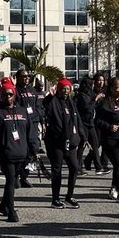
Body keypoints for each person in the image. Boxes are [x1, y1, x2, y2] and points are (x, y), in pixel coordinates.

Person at [0, 79, 36, 223]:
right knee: (11, 180)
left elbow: (30, 132)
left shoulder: (22, 111)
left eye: (10, 94)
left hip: (21, 152)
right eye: (4, 95)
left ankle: (3, 206)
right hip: (5, 153)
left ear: (14, 95)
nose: (7, 97)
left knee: (13, 180)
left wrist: (34, 149)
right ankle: (11, 211)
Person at [44, 78, 85, 209]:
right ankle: (55, 198)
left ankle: (69, 196)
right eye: (63, 89)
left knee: (74, 167)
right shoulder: (53, 101)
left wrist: (82, 136)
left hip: (71, 141)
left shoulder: (70, 103)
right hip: (56, 142)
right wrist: (49, 97)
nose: (66, 91)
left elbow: (77, 119)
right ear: (58, 90)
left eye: (68, 89)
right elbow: (45, 105)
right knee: (57, 170)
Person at [95, 78, 119, 203]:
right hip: (111, 138)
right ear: (111, 88)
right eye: (117, 87)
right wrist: (108, 126)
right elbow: (97, 121)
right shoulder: (104, 103)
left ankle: (113, 187)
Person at [76, 76, 104, 174]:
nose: (93, 86)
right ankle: (78, 167)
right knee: (82, 145)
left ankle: (98, 167)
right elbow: (87, 108)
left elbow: (96, 104)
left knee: (95, 144)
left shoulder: (90, 94)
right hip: (83, 123)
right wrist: (96, 99)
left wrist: (99, 98)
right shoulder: (82, 95)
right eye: (91, 84)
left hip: (91, 123)